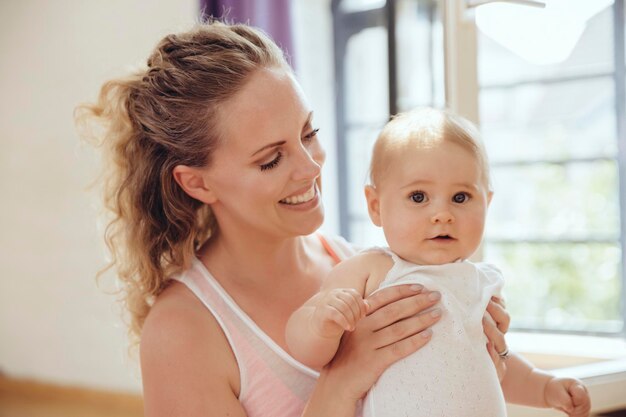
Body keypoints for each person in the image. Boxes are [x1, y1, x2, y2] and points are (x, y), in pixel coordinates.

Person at [76, 21, 511, 417]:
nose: (310, 168)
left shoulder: (359, 264)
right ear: (197, 184)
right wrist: (340, 383)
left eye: (309, 133)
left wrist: (483, 349)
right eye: (270, 160)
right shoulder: (182, 334)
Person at [286, 107, 592, 417]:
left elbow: (494, 362)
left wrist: (544, 387)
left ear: (487, 203)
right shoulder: (370, 270)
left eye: (460, 197)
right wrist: (322, 323)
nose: (442, 214)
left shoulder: (479, 282)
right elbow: (305, 348)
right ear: (376, 206)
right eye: (418, 197)